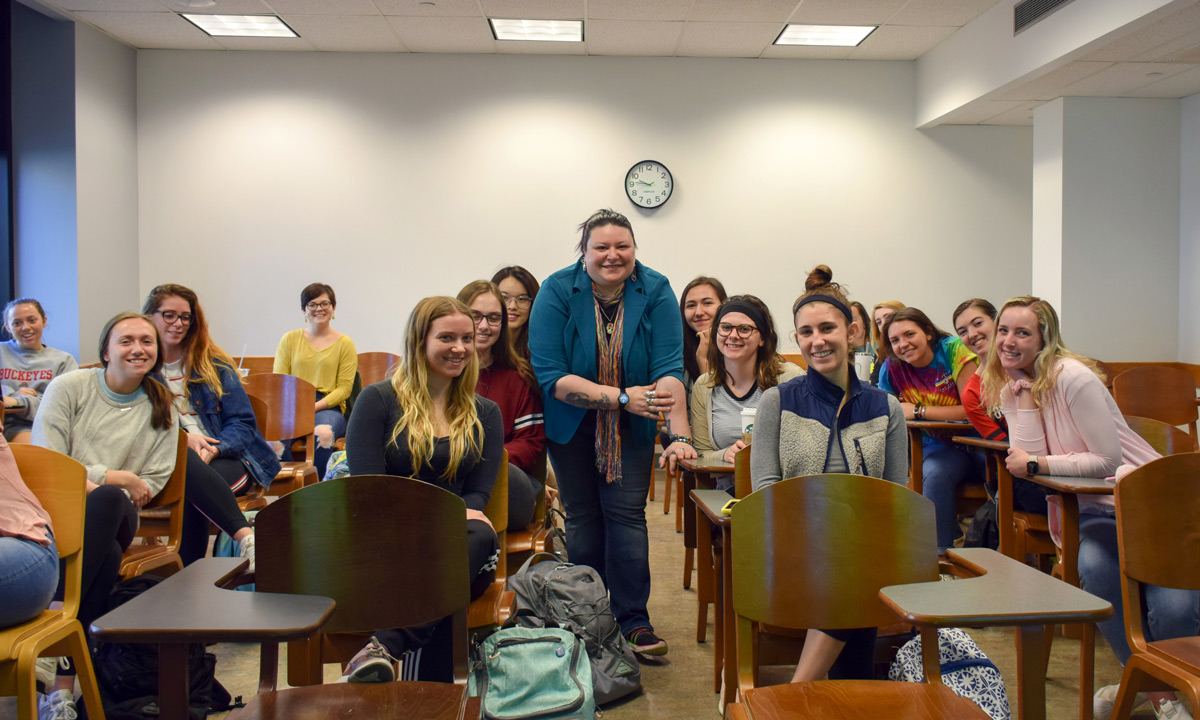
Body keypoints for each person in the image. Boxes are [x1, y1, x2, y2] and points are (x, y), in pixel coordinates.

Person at [980, 297, 1198, 720]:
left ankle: (1148, 681)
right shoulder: (1011, 387)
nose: (1008, 341)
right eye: (1003, 330)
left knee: (1176, 611)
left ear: (1045, 339)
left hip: (1146, 504)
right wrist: (1022, 396)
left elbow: (1106, 462)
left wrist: (1036, 463)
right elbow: (1029, 462)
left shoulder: (1072, 378)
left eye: (1023, 332)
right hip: (1091, 513)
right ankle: (1160, 695)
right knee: (1095, 569)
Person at [529, 208, 696, 657]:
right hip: (573, 424)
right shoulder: (557, 290)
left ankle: (634, 622)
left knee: (625, 517)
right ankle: (587, 617)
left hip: (633, 427)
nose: (612, 255)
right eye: (601, 247)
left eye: (622, 246)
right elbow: (552, 376)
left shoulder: (656, 288)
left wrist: (680, 435)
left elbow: (668, 369)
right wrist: (620, 397)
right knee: (583, 519)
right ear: (583, 252)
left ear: (634, 249)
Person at [751, 265, 907, 682]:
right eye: (806, 332)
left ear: (853, 332)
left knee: (856, 570)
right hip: (793, 547)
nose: (817, 341)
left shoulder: (885, 407)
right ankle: (813, 689)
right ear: (797, 340)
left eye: (827, 328)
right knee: (852, 578)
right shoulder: (777, 402)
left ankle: (805, 690)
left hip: (865, 549)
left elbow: (896, 496)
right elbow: (765, 490)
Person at [31, 313, 182, 718]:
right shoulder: (69, 387)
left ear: (157, 352)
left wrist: (107, 488)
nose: (138, 349)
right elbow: (49, 461)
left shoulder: (163, 407)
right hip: (54, 509)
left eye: (147, 342)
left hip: (117, 515)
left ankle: (49, 641)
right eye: (126, 341)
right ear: (105, 351)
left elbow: (149, 483)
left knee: (111, 502)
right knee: (107, 555)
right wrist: (109, 477)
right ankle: (65, 684)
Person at [344, 296, 502, 683]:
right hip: (391, 544)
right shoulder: (378, 400)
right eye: (447, 337)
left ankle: (384, 648)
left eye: (467, 338)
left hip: (459, 545)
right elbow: (369, 491)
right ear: (419, 341)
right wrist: (433, 522)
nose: (460, 348)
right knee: (449, 585)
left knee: (477, 534)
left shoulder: (485, 413)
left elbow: (478, 497)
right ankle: (435, 702)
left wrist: (445, 525)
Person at [144, 284, 280, 565]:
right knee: (186, 467)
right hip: (168, 459)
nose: (178, 323)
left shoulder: (214, 364)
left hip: (227, 456)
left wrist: (215, 449)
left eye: (185, 317)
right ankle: (245, 542)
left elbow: (242, 424)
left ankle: (186, 574)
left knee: (189, 481)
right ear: (149, 316)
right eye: (169, 315)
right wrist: (182, 440)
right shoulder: (141, 367)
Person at [878, 306, 984, 550]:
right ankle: (939, 557)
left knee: (1009, 477)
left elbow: (972, 411)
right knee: (935, 472)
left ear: (927, 332)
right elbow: (886, 413)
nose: (903, 344)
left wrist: (917, 410)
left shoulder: (954, 350)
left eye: (909, 335)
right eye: (895, 340)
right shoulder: (892, 367)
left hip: (979, 442)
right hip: (936, 447)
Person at [457, 280, 544, 530]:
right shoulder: (444, 373)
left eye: (494, 318)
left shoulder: (518, 377)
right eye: (475, 316)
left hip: (505, 479)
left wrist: (479, 461)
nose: (484, 326)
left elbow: (530, 443)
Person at [952, 299, 1047, 515]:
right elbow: (1004, 445)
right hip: (1028, 471)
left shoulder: (1033, 364)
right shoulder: (972, 393)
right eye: (963, 331)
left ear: (997, 323)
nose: (972, 333)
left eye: (978, 323)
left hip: (1065, 457)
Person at [690, 294, 802, 473]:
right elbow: (702, 453)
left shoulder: (790, 378)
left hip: (779, 489)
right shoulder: (704, 386)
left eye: (744, 329)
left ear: (762, 338)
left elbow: (805, 446)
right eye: (725, 327)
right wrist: (725, 454)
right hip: (726, 491)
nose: (733, 336)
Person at [273, 282, 357, 478]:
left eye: (325, 303)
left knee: (323, 435)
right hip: (291, 406)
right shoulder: (289, 339)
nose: (319, 309)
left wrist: (314, 406)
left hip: (328, 406)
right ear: (304, 309)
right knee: (273, 444)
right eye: (312, 304)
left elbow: (344, 389)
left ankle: (319, 489)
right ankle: (291, 492)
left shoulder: (345, 343)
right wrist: (299, 407)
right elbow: (279, 381)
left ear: (333, 307)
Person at [0, 299, 78, 443]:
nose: (26, 327)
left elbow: (62, 406)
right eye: (17, 323)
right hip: (6, 425)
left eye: (32, 320)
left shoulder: (63, 361)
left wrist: (18, 402)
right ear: (8, 327)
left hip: (47, 426)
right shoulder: (1, 351)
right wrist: (9, 394)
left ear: (43, 321)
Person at [679, 276, 728, 398]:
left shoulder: (737, 348)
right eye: (691, 305)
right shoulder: (677, 354)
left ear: (723, 306)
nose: (699, 312)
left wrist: (704, 361)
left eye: (707, 303)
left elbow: (717, 408)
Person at [492, 266, 540, 362]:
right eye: (504, 297)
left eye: (522, 299)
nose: (513, 306)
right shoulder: (480, 347)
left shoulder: (539, 352)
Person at [869, 300, 904, 386]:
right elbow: (875, 386)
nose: (884, 324)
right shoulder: (880, 353)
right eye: (879, 322)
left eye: (888, 317)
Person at [848, 301, 874, 383]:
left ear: (864, 322)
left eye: (853, 320)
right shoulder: (842, 352)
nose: (850, 325)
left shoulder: (878, 345)